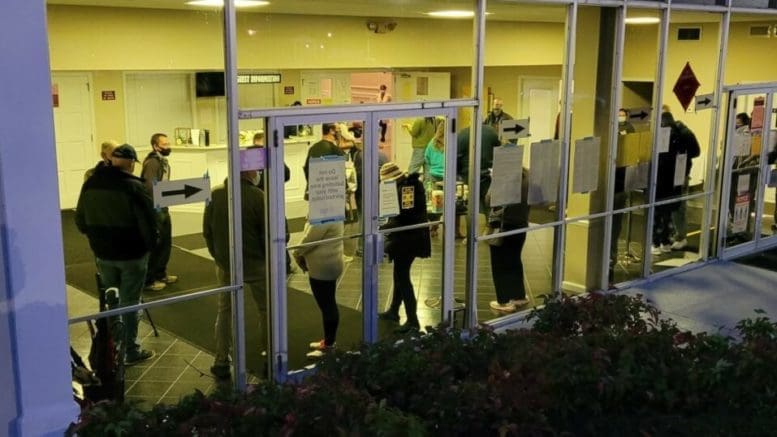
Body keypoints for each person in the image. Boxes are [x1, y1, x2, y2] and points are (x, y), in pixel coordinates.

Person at [75, 144, 158, 366]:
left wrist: (96, 237)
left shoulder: (91, 183)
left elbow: (80, 220)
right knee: (130, 302)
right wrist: (151, 246)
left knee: (111, 301)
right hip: (132, 254)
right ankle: (130, 350)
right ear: (131, 163)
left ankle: (114, 347)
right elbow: (148, 222)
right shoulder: (133, 186)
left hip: (103, 253)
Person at [203, 164, 268, 380]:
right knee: (266, 309)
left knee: (225, 310)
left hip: (226, 264)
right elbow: (267, 233)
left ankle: (221, 359)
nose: (258, 174)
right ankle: (270, 355)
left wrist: (219, 257)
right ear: (249, 173)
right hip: (257, 264)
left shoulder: (216, 195)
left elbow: (207, 231)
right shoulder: (259, 196)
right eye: (256, 170)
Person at [377, 162, 431, 333]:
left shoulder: (407, 189)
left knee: (403, 278)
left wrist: (384, 226)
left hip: (409, 239)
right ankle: (394, 310)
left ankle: (413, 320)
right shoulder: (409, 186)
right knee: (398, 275)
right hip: (410, 237)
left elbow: (406, 216)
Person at [293, 220, 344, 359]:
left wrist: (297, 252)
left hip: (322, 268)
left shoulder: (325, 214)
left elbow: (310, 239)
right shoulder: (329, 211)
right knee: (328, 304)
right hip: (327, 265)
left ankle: (329, 345)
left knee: (327, 305)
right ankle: (328, 341)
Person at [653, 110, 699, 255]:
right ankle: (666, 241)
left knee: (658, 210)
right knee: (670, 209)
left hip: (662, 178)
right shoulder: (684, 132)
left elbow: (659, 157)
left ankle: (656, 242)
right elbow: (695, 152)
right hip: (678, 177)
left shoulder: (665, 133)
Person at [487, 167, 531, 313]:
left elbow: (489, 200)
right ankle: (519, 296)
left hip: (503, 226)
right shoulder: (527, 177)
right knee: (514, 261)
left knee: (499, 263)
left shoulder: (504, 178)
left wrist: (494, 180)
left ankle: (504, 301)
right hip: (521, 224)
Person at [141, 132, 178, 291]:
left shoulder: (163, 162)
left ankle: (161, 273)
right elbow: (149, 186)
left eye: (168, 144)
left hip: (163, 205)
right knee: (156, 243)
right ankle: (149, 279)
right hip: (155, 207)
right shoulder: (153, 163)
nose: (168, 147)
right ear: (155, 146)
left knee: (165, 242)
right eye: (165, 145)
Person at [303, 122, 345, 200]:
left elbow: (306, 169)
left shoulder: (313, 148)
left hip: (315, 192)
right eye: (338, 130)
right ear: (331, 131)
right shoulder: (335, 150)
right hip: (332, 195)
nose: (340, 133)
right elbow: (341, 175)